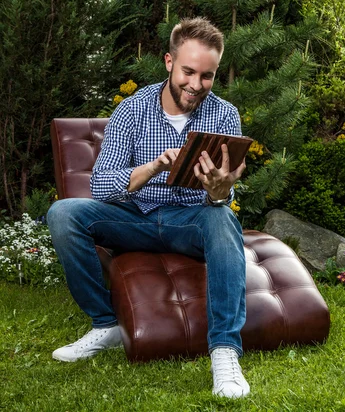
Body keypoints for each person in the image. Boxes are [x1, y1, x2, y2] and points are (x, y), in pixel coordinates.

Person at [47, 17, 250, 399]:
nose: (196, 85)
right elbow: (102, 185)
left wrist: (221, 191)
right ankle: (106, 324)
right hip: (134, 217)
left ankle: (224, 351)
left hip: (189, 221)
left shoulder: (224, 115)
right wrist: (156, 165)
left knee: (222, 216)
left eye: (207, 76)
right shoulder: (132, 109)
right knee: (63, 213)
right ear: (169, 61)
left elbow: (222, 201)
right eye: (189, 71)